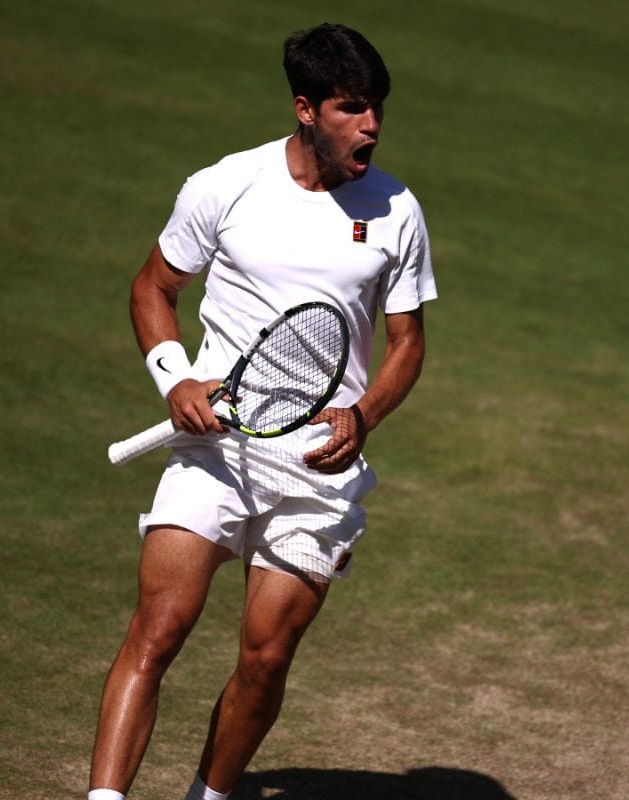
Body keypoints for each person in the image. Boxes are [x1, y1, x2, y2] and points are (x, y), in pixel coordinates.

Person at [87, 23, 436, 800]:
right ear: (306, 109)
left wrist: (365, 414)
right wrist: (175, 378)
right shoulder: (226, 184)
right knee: (160, 628)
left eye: (376, 107)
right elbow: (155, 286)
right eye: (352, 108)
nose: (371, 125)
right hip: (215, 451)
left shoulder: (397, 210)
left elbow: (408, 342)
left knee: (266, 657)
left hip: (317, 464)